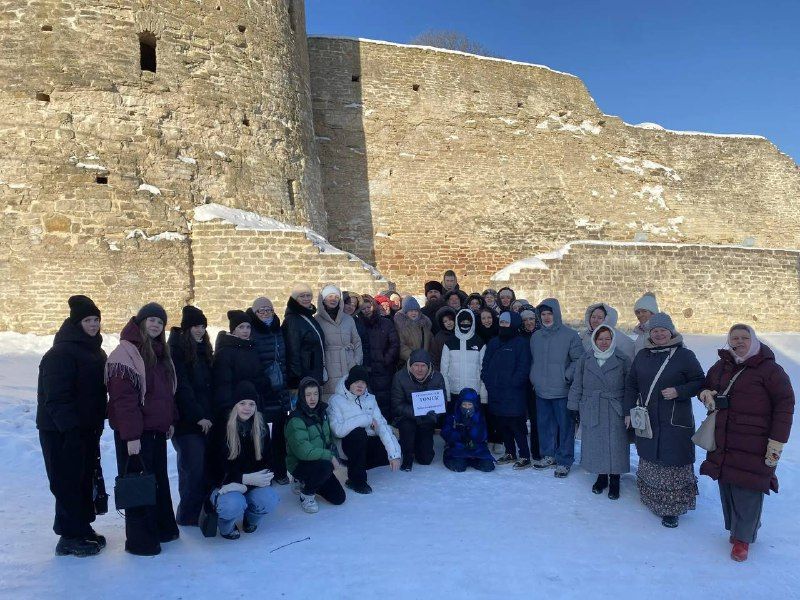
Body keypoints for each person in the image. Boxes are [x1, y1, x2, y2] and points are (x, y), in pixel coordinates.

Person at [698, 324, 794, 561]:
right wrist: (706, 394)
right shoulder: (722, 366)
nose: (739, 342)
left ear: (754, 341)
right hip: (724, 436)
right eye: (734, 338)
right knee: (728, 485)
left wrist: (777, 442)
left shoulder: (770, 370)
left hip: (755, 441)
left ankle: (743, 539)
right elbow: (705, 385)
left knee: (749, 487)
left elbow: (785, 406)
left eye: (744, 338)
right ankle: (738, 529)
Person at [37, 295, 107, 557]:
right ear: (76, 324)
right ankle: (68, 537)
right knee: (66, 481)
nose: (93, 324)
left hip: (85, 429)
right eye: (88, 320)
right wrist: (70, 429)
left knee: (83, 479)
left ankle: (81, 527)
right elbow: (56, 397)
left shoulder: (95, 351)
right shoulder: (60, 353)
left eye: (96, 319)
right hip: (61, 431)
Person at [106, 302, 179, 556]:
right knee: (139, 486)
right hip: (136, 433)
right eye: (152, 320)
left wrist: (170, 420)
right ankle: (141, 542)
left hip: (155, 431)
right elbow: (123, 400)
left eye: (160, 322)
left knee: (156, 482)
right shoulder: (125, 353)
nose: (156, 325)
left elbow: (165, 394)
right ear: (141, 322)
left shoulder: (159, 352)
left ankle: (162, 529)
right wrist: (131, 436)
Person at [624, 312, 704, 528]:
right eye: (655, 331)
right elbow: (631, 384)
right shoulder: (643, 355)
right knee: (650, 455)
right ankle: (650, 498)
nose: (659, 334)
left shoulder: (684, 355)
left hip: (674, 418)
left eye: (663, 330)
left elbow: (699, 381)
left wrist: (679, 391)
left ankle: (672, 508)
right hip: (648, 416)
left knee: (672, 458)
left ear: (671, 332)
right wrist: (628, 411)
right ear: (649, 333)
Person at [206, 381, 279, 540]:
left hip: (251, 484)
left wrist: (248, 483)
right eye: (242, 403)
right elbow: (213, 469)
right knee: (232, 505)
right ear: (235, 405)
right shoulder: (220, 427)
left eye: (251, 404)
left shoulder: (261, 426)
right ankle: (226, 527)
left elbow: (270, 462)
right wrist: (241, 479)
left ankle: (251, 519)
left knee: (270, 499)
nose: (247, 408)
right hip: (225, 486)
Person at [568, 325, 631, 499]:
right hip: (592, 407)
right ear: (594, 340)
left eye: (607, 339)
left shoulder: (623, 359)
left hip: (615, 407)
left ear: (613, 340)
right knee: (597, 444)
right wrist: (573, 406)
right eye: (600, 339)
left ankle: (615, 478)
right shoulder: (585, 359)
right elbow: (577, 383)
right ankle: (602, 476)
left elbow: (630, 387)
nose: (604, 342)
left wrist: (628, 409)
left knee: (616, 444)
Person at [168, 305, 214, 526]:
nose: (200, 330)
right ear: (187, 328)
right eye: (196, 326)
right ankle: (187, 516)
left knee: (205, 468)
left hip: (206, 419)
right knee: (192, 470)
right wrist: (198, 416)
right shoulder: (177, 351)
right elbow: (182, 388)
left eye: (203, 326)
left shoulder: (204, 349)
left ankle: (203, 512)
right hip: (187, 422)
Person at [529, 298, 583, 477]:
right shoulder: (536, 337)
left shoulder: (570, 335)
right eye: (543, 314)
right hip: (541, 390)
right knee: (544, 425)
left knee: (565, 427)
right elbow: (534, 361)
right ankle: (548, 455)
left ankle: (564, 460)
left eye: (549, 314)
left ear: (556, 314)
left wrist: (566, 376)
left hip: (562, 390)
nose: (546, 317)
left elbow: (579, 360)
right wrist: (534, 377)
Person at [327, 366, 402, 494]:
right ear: (350, 382)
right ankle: (356, 481)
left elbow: (382, 426)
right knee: (358, 434)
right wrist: (366, 419)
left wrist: (394, 454)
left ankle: (359, 465)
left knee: (388, 445)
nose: (360, 385)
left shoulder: (370, 399)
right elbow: (337, 430)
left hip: (365, 443)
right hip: (346, 447)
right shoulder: (336, 401)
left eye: (363, 382)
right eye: (357, 382)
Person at [246, 297, 290, 485]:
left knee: (279, 434)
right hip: (263, 390)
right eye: (261, 310)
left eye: (269, 310)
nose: (265, 313)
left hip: (280, 388)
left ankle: (280, 471)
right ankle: (265, 473)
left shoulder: (278, 329)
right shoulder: (251, 331)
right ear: (255, 313)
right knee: (261, 434)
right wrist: (262, 383)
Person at [285, 377, 346, 513]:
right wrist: (329, 456)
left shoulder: (322, 413)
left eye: (315, 394)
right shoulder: (296, 419)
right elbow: (303, 451)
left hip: (320, 463)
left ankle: (310, 481)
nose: (312, 398)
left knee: (339, 498)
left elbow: (328, 438)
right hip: (300, 464)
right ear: (302, 396)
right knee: (326, 466)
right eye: (308, 395)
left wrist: (333, 453)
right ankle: (306, 494)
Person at [482, 312, 532, 469]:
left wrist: (514, 383)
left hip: (514, 392)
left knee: (517, 425)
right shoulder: (494, 342)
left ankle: (524, 455)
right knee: (502, 424)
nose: (503, 325)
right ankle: (510, 452)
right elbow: (485, 364)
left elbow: (523, 367)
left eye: (506, 322)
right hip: (496, 391)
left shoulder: (521, 343)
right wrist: (488, 381)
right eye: (501, 322)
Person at [391, 349, 447, 470]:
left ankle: (418, 444)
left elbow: (442, 403)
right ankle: (407, 455)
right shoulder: (400, 377)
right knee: (407, 428)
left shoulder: (437, 377)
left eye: (423, 366)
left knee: (426, 459)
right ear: (410, 365)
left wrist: (434, 415)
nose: (419, 369)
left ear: (429, 366)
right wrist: (417, 412)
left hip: (427, 419)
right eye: (416, 365)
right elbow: (397, 405)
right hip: (407, 417)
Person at [213, 310, 272, 421]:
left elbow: (259, 374)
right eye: (241, 327)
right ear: (234, 329)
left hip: (254, 403)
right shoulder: (225, 352)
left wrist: (265, 384)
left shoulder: (252, 348)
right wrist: (227, 409)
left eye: (248, 327)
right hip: (236, 406)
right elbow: (223, 383)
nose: (245, 330)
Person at [315, 284, 363, 399]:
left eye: (336, 297)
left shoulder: (348, 319)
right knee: (330, 399)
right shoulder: (316, 320)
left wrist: (356, 362)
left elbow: (357, 342)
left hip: (348, 365)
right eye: (330, 296)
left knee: (350, 400)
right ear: (323, 299)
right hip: (328, 366)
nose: (333, 299)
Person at [359, 295, 400, 418]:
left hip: (384, 368)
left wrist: (386, 360)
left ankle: (387, 424)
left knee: (385, 399)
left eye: (369, 307)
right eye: (363, 308)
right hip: (366, 368)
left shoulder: (386, 323)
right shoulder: (359, 324)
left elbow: (394, 343)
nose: (367, 310)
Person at [441, 309, 487, 412]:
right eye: (462, 322)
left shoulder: (479, 343)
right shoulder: (449, 343)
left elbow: (484, 370)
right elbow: (444, 371)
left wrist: (483, 396)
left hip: (474, 393)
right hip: (454, 392)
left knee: (474, 419)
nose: (465, 324)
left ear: (472, 322)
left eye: (468, 322)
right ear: (457, 322)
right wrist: (447, 395)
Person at [282, 283, 326, 390]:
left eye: (308, 295)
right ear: (295, 299)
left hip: (313, 370)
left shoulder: (308, 316)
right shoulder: (292, 320)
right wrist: (295, 379)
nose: (306, 299)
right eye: (302, 296)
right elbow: (292, 351)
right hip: (304, 374)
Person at [441, 388, 495, 473]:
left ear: (474, 405)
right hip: (458, 447)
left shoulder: (479, 416)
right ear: (460, 404)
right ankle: (461, 460)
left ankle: (470, 460)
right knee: (458, 466)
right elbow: (445, 432)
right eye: (464, 404)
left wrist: (471, 427)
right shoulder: (453, 415)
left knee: (488, 466)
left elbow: (483, 435)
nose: (467, 407)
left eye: (470, 405)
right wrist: (460, 434)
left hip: (477, 448)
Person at [394, 296, 433, 366]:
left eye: (416, 311)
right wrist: (413, 357)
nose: (414, 313)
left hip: (425, 361)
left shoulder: (424, 324)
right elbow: (401, 345)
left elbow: (431, 341)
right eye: (411, 311)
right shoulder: (401, 326)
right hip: (409, 361)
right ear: (405, 312)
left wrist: (428, 356)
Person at [343, 291, 371, 372]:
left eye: (354, 305)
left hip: (355, 365)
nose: (350, 307)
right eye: (348, 303)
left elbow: (365, 345)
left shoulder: (358, 323)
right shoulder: (332, 321)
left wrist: (365, 366)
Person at [429, 305, 456, 370]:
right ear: (441, 324)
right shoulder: (438, 338)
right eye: (445, 321)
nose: (449, 323)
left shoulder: (460, 334)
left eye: (450, 320)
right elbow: (434, 358)